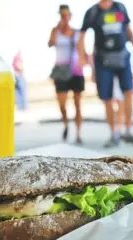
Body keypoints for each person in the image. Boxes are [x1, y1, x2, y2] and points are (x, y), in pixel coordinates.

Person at [77, 0, 133, 148]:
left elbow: (128, 29)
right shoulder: (92, 12)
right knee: (106, 98)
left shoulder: (120, 7)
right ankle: (114, 134)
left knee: (129, 92)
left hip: (122, 55)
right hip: (102, 59)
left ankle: (128, 130)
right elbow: (81, 36)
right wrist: (83, 56)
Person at [48, 5, 87, 144]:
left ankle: (78, 133)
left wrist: (86, 63)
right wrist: (58, 27)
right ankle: (65, 124)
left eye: (66, 15)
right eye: (62, 15)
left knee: (77, 104)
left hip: (76, 70)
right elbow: (50, 43)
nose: (65, 17)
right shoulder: (55, 31)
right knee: (62, 104)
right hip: (60, 69)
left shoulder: (77, 32)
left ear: (70, 16)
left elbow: (82, 50)